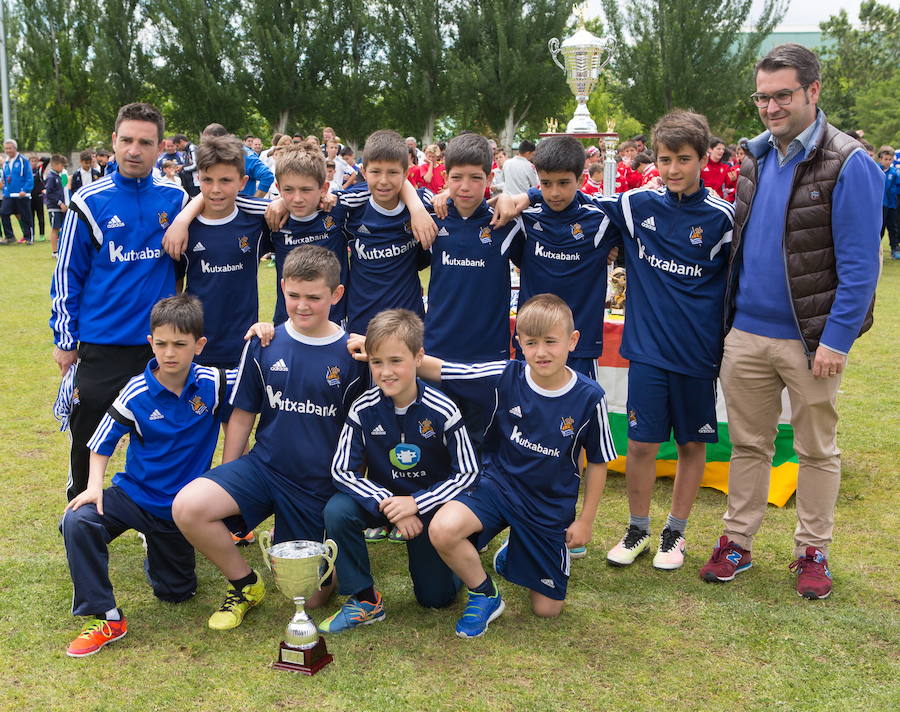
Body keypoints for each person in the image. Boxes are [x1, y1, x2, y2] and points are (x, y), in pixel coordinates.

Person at [699, 44, 883, 599]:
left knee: (815, 450)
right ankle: (737, 542)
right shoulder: (755, 156)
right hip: (747, 335)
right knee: (748, 445)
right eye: (763, 96)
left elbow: (860, 267)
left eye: (783, 95)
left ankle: (812, 552)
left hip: (811, 342)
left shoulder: (850, 163)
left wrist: (836, 339)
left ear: (813, 92)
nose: (771, 107)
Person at [172, 246, 366, 630]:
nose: (302, 305)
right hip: (263, 469)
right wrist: (228, 477)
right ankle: (245, 584)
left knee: (312, 598)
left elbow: (362, 435)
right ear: (282, 289)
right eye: (293, 296)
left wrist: (351, 497)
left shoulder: (354, 355)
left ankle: (334, 556)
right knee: (189, 506)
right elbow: (243, 413)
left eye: (314, 297)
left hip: (317, 487)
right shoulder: (262, 343)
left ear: (336, 295)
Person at [421, 294, 617, 637]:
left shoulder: (590, 397)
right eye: (531, 343)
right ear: (518, 344)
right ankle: (484, 595)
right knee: (442, 530)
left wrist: (585, 521)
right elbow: (443, 370)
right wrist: (383, 350)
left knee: (547, 611)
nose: (541, 352)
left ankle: (515, 554)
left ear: (572, 341)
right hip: (497, 486)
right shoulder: (505, 375)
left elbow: (598, 462)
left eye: (551, 342)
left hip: (547, 505)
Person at [592, 110, 736, 571]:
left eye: (684, 159)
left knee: (692, 446)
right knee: (640, 445)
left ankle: (675, 532)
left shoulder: (723, 220)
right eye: (665, 159)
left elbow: (739, 283)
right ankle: (638, 528)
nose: (674, 169)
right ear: (654, 159)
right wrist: (521, 197)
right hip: (648, 352)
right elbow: (573, 202)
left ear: (701, 159)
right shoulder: (636, 206)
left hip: (697, 354)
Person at [60, 294, 235, 656]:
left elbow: (261, 377)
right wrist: (94, 488)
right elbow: (100, 442)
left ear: (199, 345)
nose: (170, 353)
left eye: (180, 344)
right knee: (78, 520)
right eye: (162, 343)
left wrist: (266, 331)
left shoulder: (215, 382)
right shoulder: (136, 391)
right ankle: (106, 617)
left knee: (177, 593)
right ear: (150, 342)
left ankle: (157, 555)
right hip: (135, 497)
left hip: (182, 511)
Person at [50, 102, 188, 501]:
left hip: (159, 346)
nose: (134, 150)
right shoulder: (88, 201)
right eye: (126, 140)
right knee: (90, 433)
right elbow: (67, 276)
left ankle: (153, 514)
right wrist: (64, 340)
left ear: (160, 147)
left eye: (145, 142)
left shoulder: (175, 199)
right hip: (102, 343)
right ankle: (80, 508)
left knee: (158, 433)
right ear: (114, 141)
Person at [318, 309, 479, 633]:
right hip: (386, 503)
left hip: (430, 509)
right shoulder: (364, 408)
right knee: (337, 510)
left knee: (435, 599)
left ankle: (460, 554)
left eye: (396, 361)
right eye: (377, 362)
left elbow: (467, 473)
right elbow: (341, 470)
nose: (386, 372)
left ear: (419, 357)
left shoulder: (442, 408)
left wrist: (417, 504)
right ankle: (364, 599)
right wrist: (389, 504)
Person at [173, 135, 270, 369]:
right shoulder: (183, 229)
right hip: (195, 346)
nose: (215, 190)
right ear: (198, 179)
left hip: (243, 345)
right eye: (207, 180)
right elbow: (174, 289)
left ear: (242, 181)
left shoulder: (257, 223)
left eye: (225, 180)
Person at [1, 139, 34, 244]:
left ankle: (29, 237)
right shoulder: (6, 162)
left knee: (25, 216)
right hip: (9, 194)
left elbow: (29, 177)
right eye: (6, 148)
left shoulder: (23, 160)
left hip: (22, 195)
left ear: (15, 148)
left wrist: (25, 190)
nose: (8, 150)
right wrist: (5, 189)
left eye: (10, 148)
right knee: (3, 212)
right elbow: (6, 178)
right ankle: (10, 236)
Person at [877, 146, 899, 259]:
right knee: (879, 228)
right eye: (886, 159)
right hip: (880, 205)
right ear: (880, 159)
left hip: (892, 204)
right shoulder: (875, 170)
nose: (888, 162)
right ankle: (875, 249)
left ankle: (894, 250)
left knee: (893, 227)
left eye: (890, 159)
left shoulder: (895, 173)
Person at [44, 154, 68, 257]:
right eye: (62, 165)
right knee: (55, 229)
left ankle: (61, 249)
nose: (63, 168)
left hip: (60, 207)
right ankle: (55, 252)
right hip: (54, 207)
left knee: (61, 228)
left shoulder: (58, 176)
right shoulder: (51, 177)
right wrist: (60, 203)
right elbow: (49, 193)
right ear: (56, 165)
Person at [30, 155, 46, 241]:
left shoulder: (39, 169)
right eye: (31, 161)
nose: (33, 162)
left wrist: (39, 159)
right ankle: (32, 235)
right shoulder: (27, 171)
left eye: (35, 161)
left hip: (38, 196)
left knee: (40, 216)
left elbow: (47, 160)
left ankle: (42, 235)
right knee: (31, 217)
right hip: (29, 197)